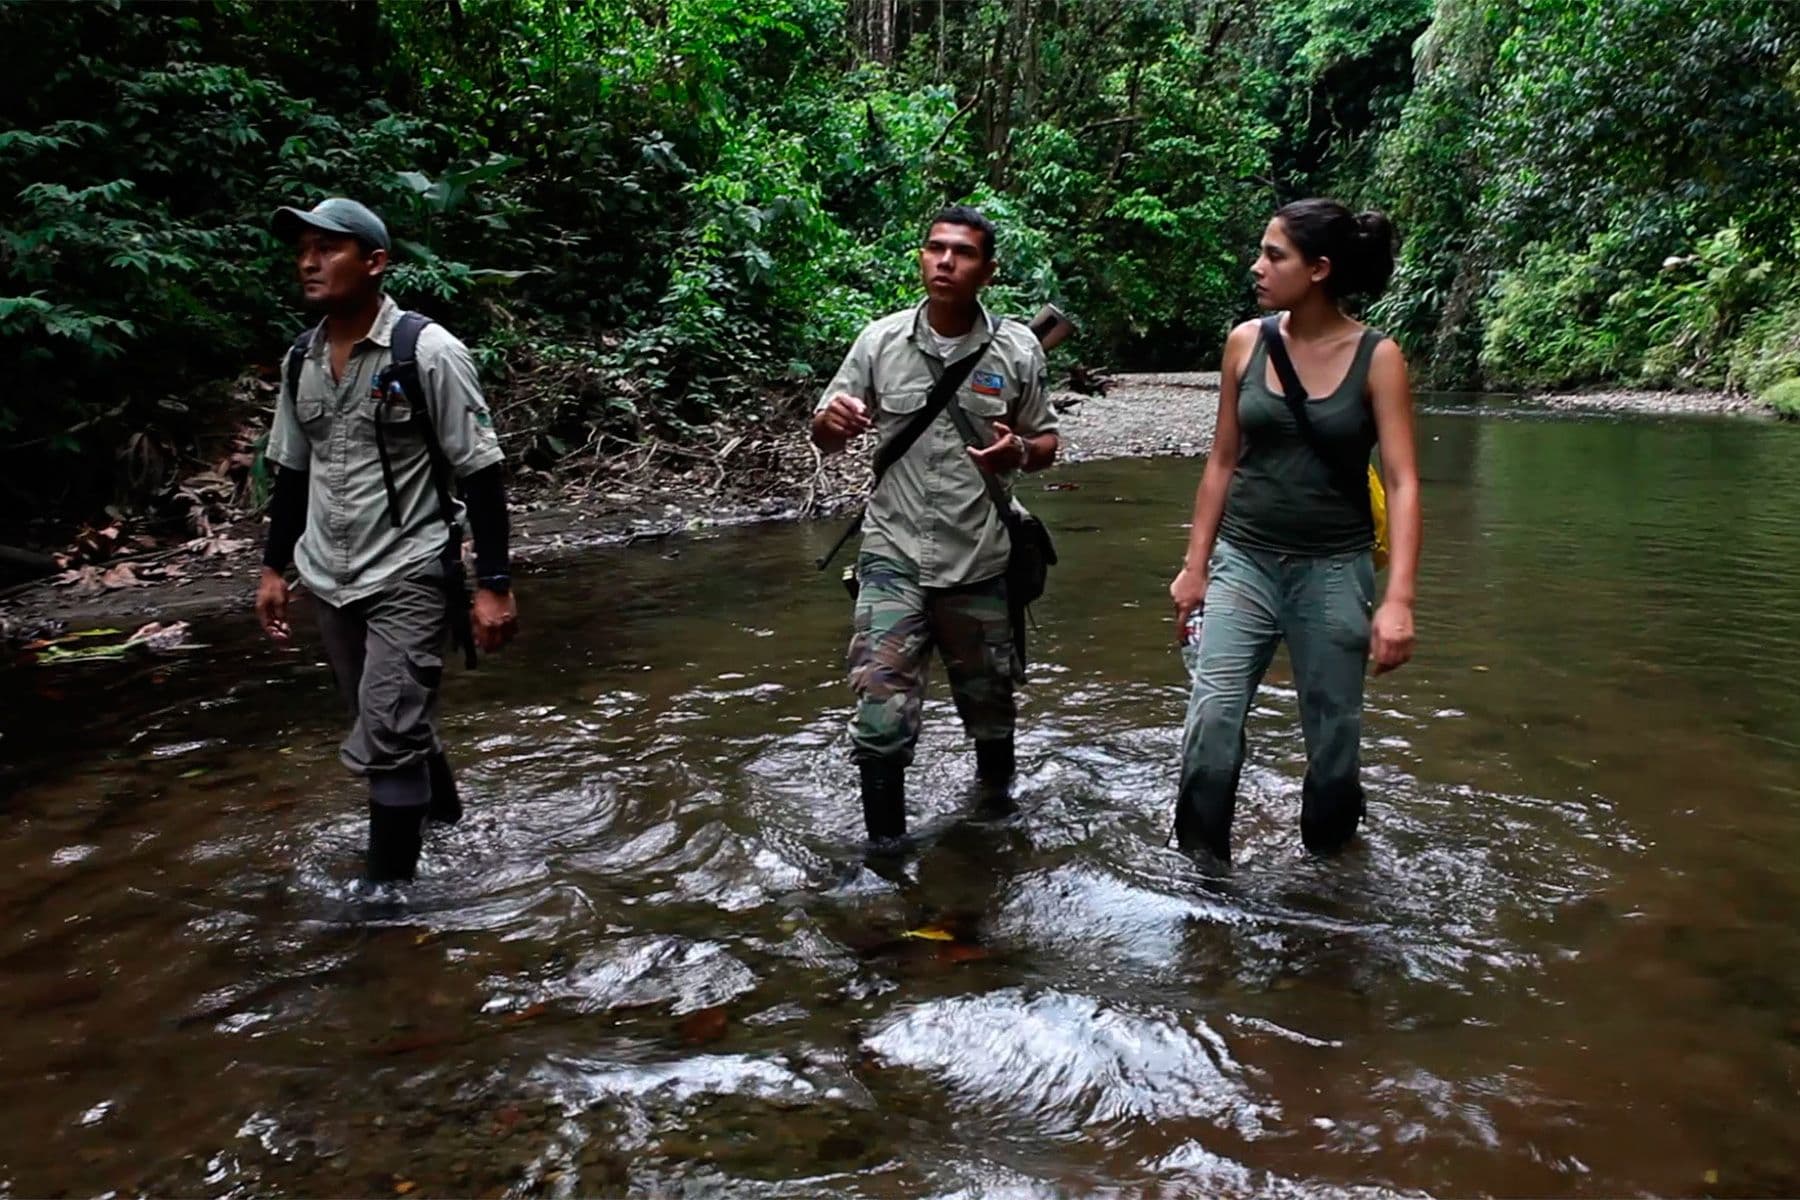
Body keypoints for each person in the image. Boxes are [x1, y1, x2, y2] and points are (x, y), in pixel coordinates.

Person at [254, 197, 519, 883]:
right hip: (329, 576)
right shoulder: (300, 361)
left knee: (389, 739)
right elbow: (291, 471)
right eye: (303, 248)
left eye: (329, 247)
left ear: (375, 263)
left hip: (409, 571)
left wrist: (494, 586)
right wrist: (273, 569)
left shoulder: (428, 352)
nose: (309, 261)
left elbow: (482, 474)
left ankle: (385, 914)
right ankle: (449, 823)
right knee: (387, 723)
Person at [1167, 198, 1421, 862]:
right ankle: (1202, 880)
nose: (1258, 266)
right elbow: (1222, 460)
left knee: (1334, 738)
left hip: (1335, 568)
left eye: (1274, 254)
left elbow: (1403, 481)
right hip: (1242, 561)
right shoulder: (1246, 342)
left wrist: (1397, 601)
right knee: (1213, 720)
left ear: (1320, 269)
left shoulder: (1379, 357)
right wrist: (1194, 566)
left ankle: (1331, 880)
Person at [811, 204, 1060, 850]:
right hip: (891, 556)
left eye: (963, 252)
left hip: (979, 558)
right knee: (879, 718)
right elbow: (826, 431)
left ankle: (994, 830)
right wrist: (829, 426)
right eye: (935, 248)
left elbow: (1047, 439)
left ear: (989, 270)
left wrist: (1021, 454)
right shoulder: (879, 341)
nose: (945, 260)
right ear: (921, 257)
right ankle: (885, 860)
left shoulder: (1017, 349)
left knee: (990, 710)